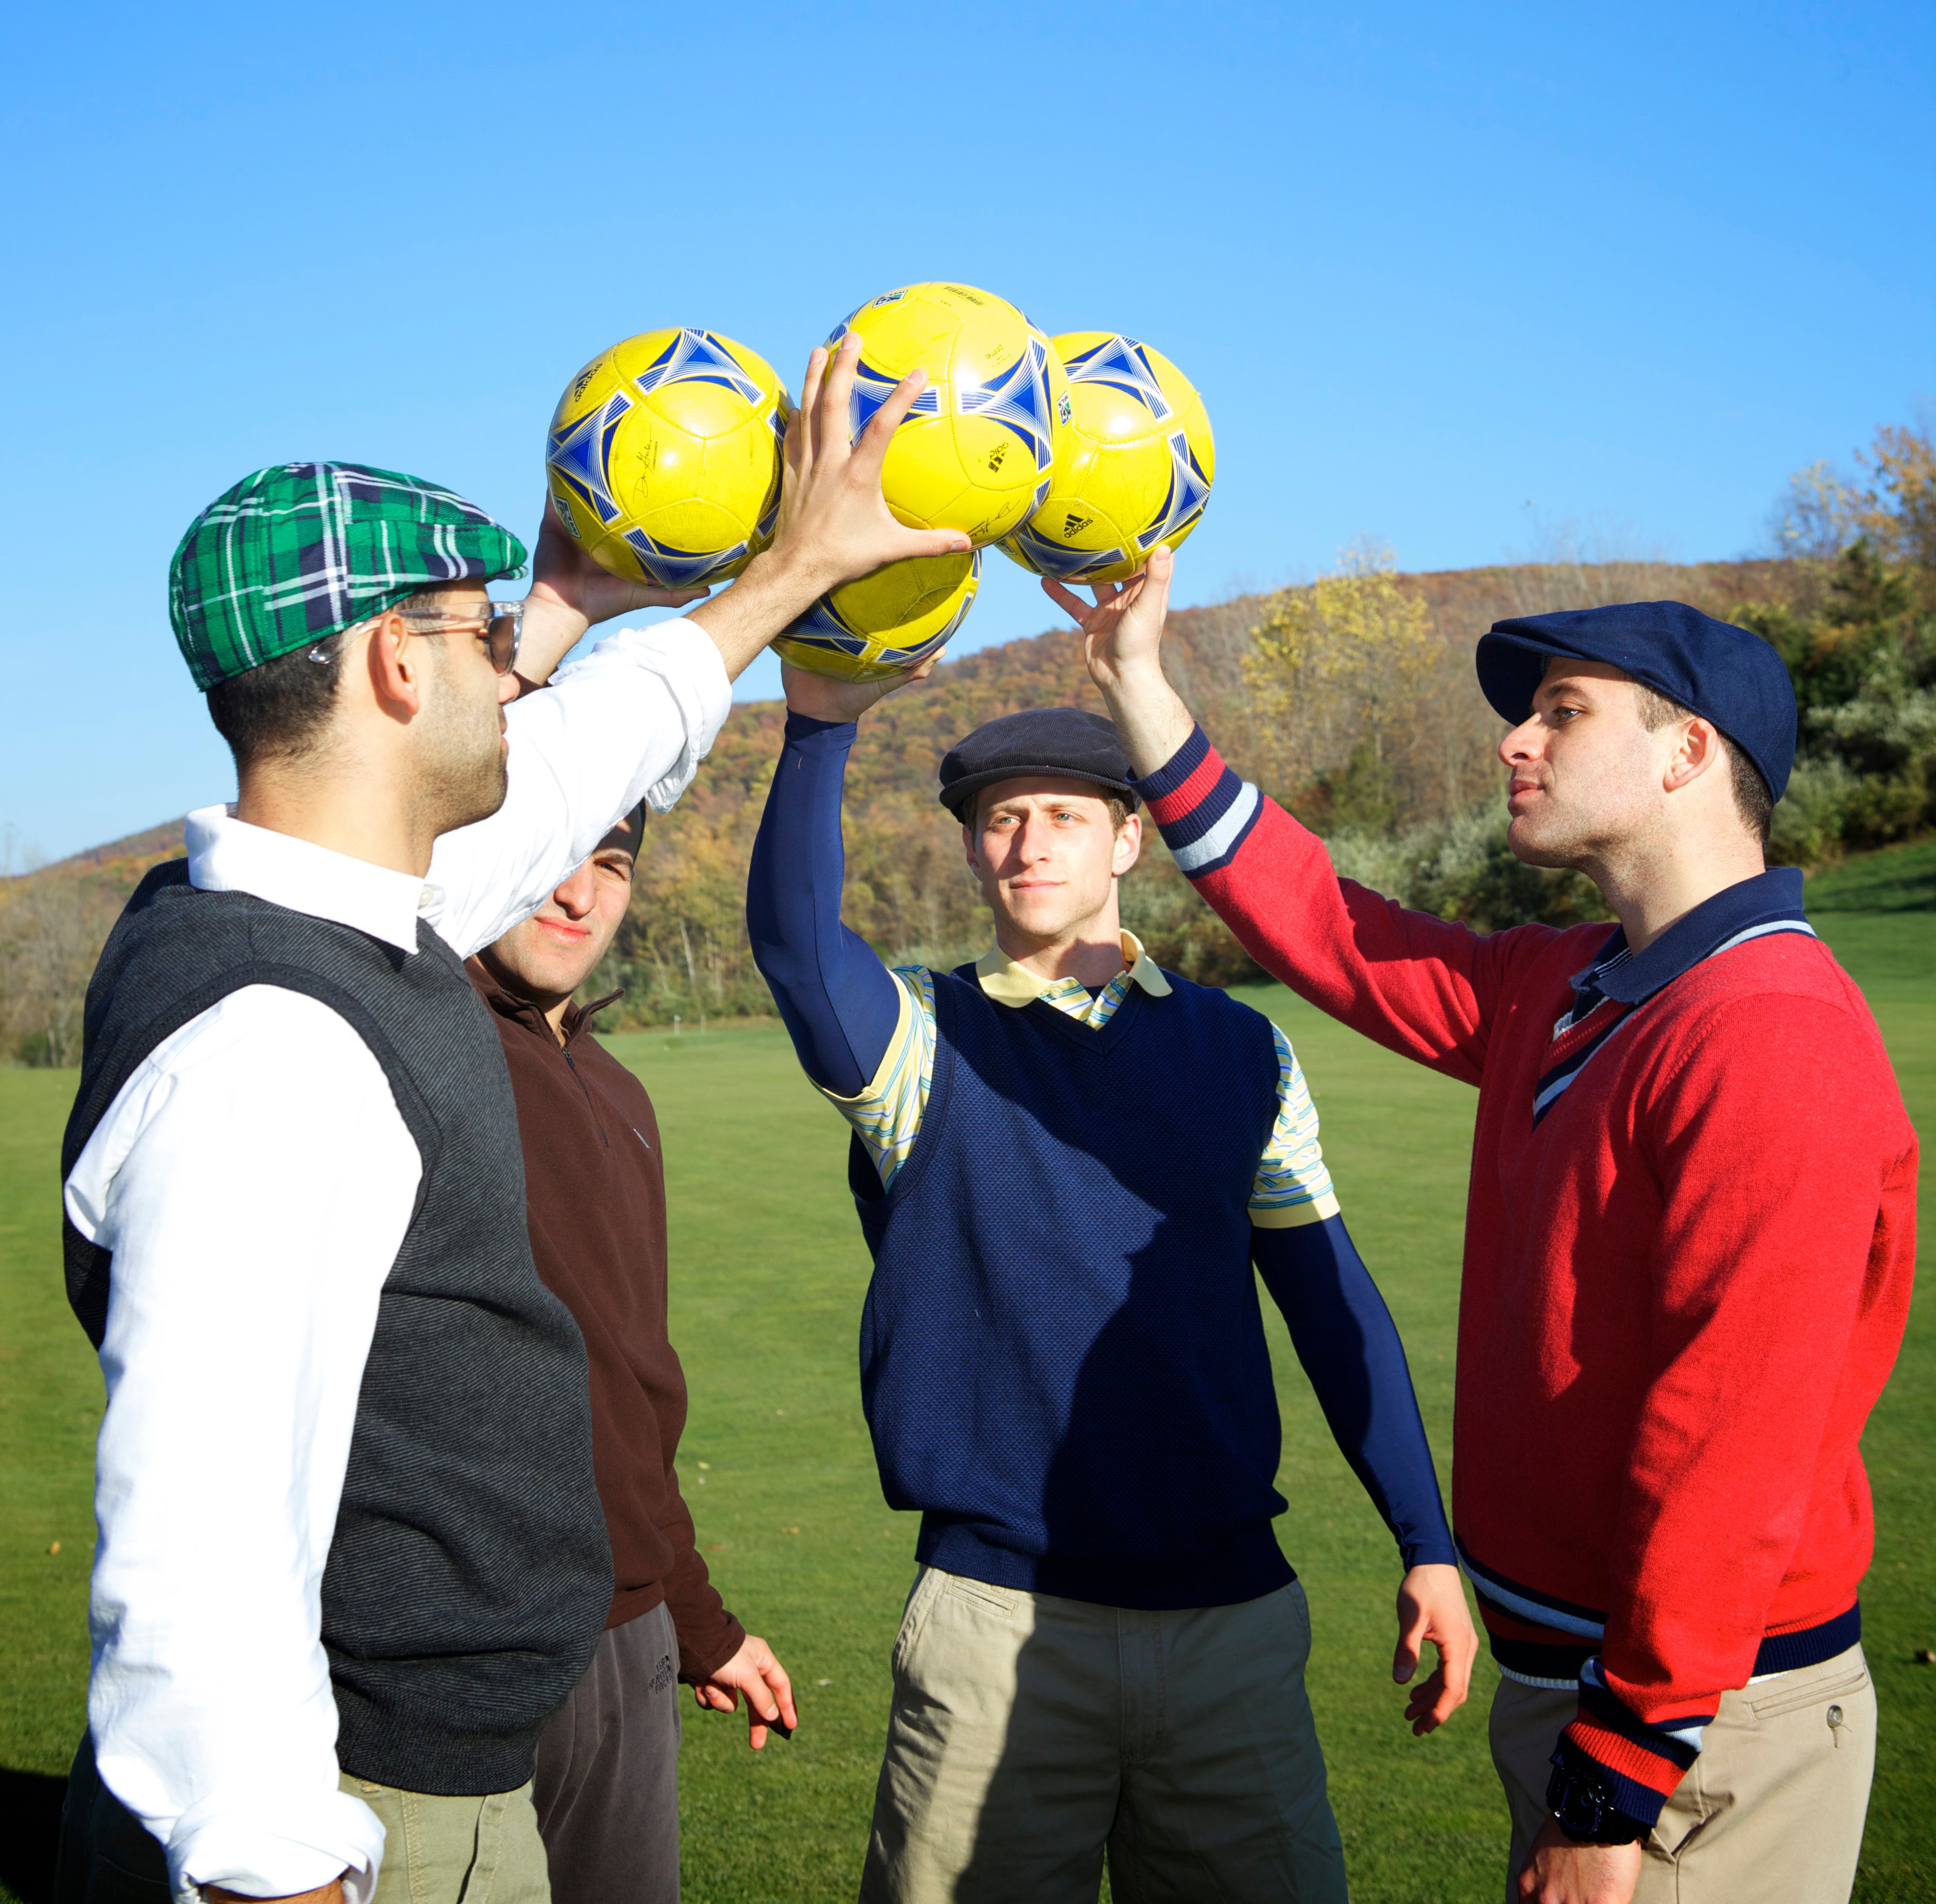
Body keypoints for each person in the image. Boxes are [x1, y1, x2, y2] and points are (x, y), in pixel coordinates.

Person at [58, 338, 965, 1904]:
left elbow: (560, 768)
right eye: (484, 644)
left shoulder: (322, 921)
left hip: (438, 1779)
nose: (512, 676)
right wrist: (285, 1874)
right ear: (400, 675)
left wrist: (665, 600)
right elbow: (192, 1536)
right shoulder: (272, 1044)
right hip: (357, 1822)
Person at [1053, 553, 1918, 1904]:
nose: (1517, 738)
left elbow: (1736, 1449)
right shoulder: (1571, 983)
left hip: (1701, 1722)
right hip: (1593, 1685)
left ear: (1690, 750)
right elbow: (1333, 931)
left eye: (1564, 709)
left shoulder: (1771, 1034)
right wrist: (1140, 689)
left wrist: (1619, 1779)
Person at [745, 664, 1478, 1904]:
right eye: (1000, 820)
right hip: (998, 1621)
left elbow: (1331, 1302)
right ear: (976, 851)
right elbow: (800, 951)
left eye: (1066, 814)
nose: (1029, 843)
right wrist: (820, 717)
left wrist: (1427, 1541)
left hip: (1231, 1627)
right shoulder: (920, 1039)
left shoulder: (1244, 1047)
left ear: (1132, 836)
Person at [471, 810, 795, 1904]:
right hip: (469, 1643)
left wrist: (699, 1623)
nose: (577, 895)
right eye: (548, 851)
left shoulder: (620, 1091)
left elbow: (631, 1395)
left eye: (609, 865)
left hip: (630, 1633)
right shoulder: (424, 1040)